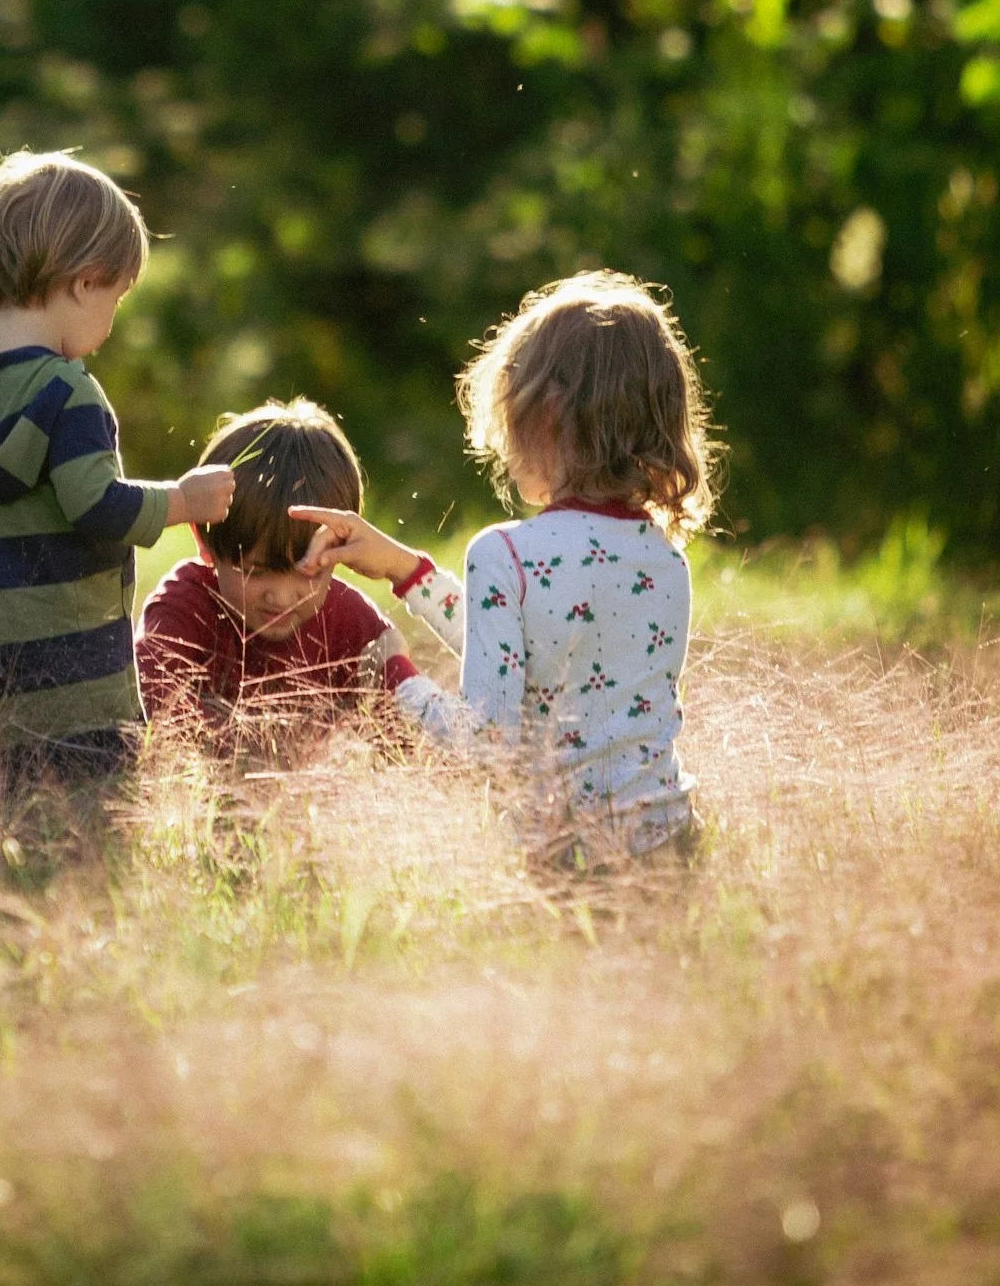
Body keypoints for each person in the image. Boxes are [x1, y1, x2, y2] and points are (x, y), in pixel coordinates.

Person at [290, 270, 716, 854]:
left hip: (565, 864)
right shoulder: (664, 560)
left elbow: (485, 744)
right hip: (670, 847)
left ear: (544, 415)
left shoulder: (505, 554)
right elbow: (539, 649)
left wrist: (394, 679)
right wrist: (405, 571)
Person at [0, 151, 235, 857]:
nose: (111, 323)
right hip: (73, 663)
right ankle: (84, 901)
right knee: (93, 812)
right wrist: (183, 500)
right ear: (83, 282)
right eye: (115, 299)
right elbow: (98, 507)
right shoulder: (70, 392)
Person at [137, 399, 419, 746]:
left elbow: (411, 739)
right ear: (205, 540)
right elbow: (165, 722)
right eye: (254, 573)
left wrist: (392, 665)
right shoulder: (183, 611)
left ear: (340, 552)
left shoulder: (350, 624)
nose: (282, 597)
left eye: (309, 573)